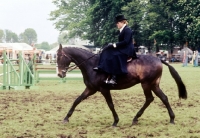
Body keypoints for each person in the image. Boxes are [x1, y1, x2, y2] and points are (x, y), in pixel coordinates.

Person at [93, 14, 137, 85]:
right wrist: (111, 45)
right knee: (107, 50)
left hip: (127, 49)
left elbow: (126, 41)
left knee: (115, 56)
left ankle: (114, 78)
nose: (117, 24)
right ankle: (101, 66)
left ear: (123, 22)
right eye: (117, 23)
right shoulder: (122, 30)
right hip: (123, 48)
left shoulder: (127, 30)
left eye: (118, 23)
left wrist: (115, 45)